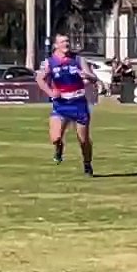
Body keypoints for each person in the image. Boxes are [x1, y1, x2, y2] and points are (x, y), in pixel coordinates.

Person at [37, 34, 99, 176]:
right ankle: (59, 149)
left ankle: (87, 164)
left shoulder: (78, 60)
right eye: (63, 41)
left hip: (78, 104)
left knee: (83, 140)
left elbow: (93, 78)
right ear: (56, 45)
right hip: (61, 104)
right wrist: (51, 92)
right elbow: (39, 79)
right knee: (55, 137)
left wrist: (87, 76)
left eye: (67, 41)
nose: (66, 44)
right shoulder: (49, 62)